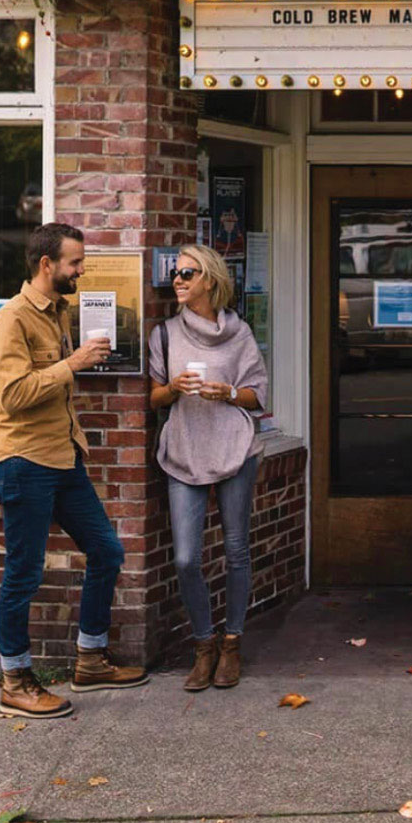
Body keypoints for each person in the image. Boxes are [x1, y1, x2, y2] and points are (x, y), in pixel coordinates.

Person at [0, 222, 149, 719]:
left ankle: (91, 659)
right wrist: (72, 363)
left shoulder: (58, 312)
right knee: (24, 574)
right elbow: (9, 397)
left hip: (62, 458)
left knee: (106, 550)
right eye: (75, 263)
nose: (82, 270)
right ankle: (15, 679)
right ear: (46, 265)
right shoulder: (12, 319)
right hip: (24, 462)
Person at [147, 243, 269, 692]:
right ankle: (204, 644)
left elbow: (258, 393)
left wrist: (230, 393)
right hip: (184, 449)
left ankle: (232, 643)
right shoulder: (164, 333)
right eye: (176, 273)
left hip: (235, 447)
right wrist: (175, 387)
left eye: (187, 273)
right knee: (185, 558)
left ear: (210, 280)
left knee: (236, 550)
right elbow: (154, 397)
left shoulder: (240, 334)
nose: (177, 280)